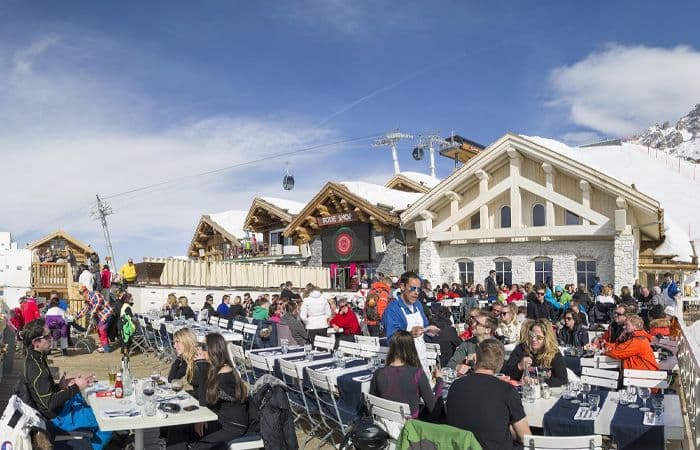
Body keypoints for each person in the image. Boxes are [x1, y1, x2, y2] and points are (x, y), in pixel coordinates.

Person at [23, 319, 112, 449]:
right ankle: (90, 446)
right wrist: (77, 386)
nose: (52, 338)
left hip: (59, 410)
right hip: (58, 419)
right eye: (47, 336)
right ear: (36, 342)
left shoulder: (35, 357)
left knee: (85, 399)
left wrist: (60, 386)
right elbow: (50, 403)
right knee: (106, 419)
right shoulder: (37, 369)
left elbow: (42, 392)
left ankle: (90, 431)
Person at [446, 338, 531, 450]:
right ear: (500, 365)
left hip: (461, 446)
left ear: (475, 359)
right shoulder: (507, 391)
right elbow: (526, 437)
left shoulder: (455, 386)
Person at [168, 333, 249, 449]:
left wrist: (202, 366)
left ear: (214, 349)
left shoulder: (225, 373)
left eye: (204, 346)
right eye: (200, 345)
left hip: (231, 425)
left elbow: (204, 399)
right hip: (216, 417)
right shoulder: (214, 368)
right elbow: (205, 398)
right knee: (178, 428)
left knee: (196, 445)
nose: (199, 349)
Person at [369, 330, 443, 420]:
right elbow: (435, 411)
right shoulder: (417, 374)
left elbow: (373, 403)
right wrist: (439, 380)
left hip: (385, 424)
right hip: (410, 427)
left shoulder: (378, 373)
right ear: (411, 348)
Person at [381, 271, 440, 372]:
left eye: (418, 289)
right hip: (403, 363)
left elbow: (424, 326)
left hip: (421, 358)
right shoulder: (393, 309)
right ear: (403, 287)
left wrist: (429, 330)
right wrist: (409, 334)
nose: (416, 292)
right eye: (412, 288)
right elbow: (392, 339)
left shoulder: (418, 305)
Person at [502, 319, 568, 387]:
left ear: (547, 339)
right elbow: (506, 374)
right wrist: (519, 366)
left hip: (545, 393)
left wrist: (538, 381)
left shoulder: (553, 353)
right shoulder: (522, 348)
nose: (534, 339)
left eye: (539, 337)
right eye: (532, 335)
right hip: (522, 391)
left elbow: (563, 379)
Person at [75, 285, 114, 353]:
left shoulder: (95, 293)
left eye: (82, 293)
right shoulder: (87, 300)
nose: (82, 295)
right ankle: (105, 345)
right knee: (99, 330)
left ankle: (106, 348)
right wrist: (76, 317)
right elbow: (84, 310)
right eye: (81, 293)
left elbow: (99, 301)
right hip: (101, 316)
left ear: (86, 291)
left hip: (107, 314)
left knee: (102, 330)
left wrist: (94, 311)